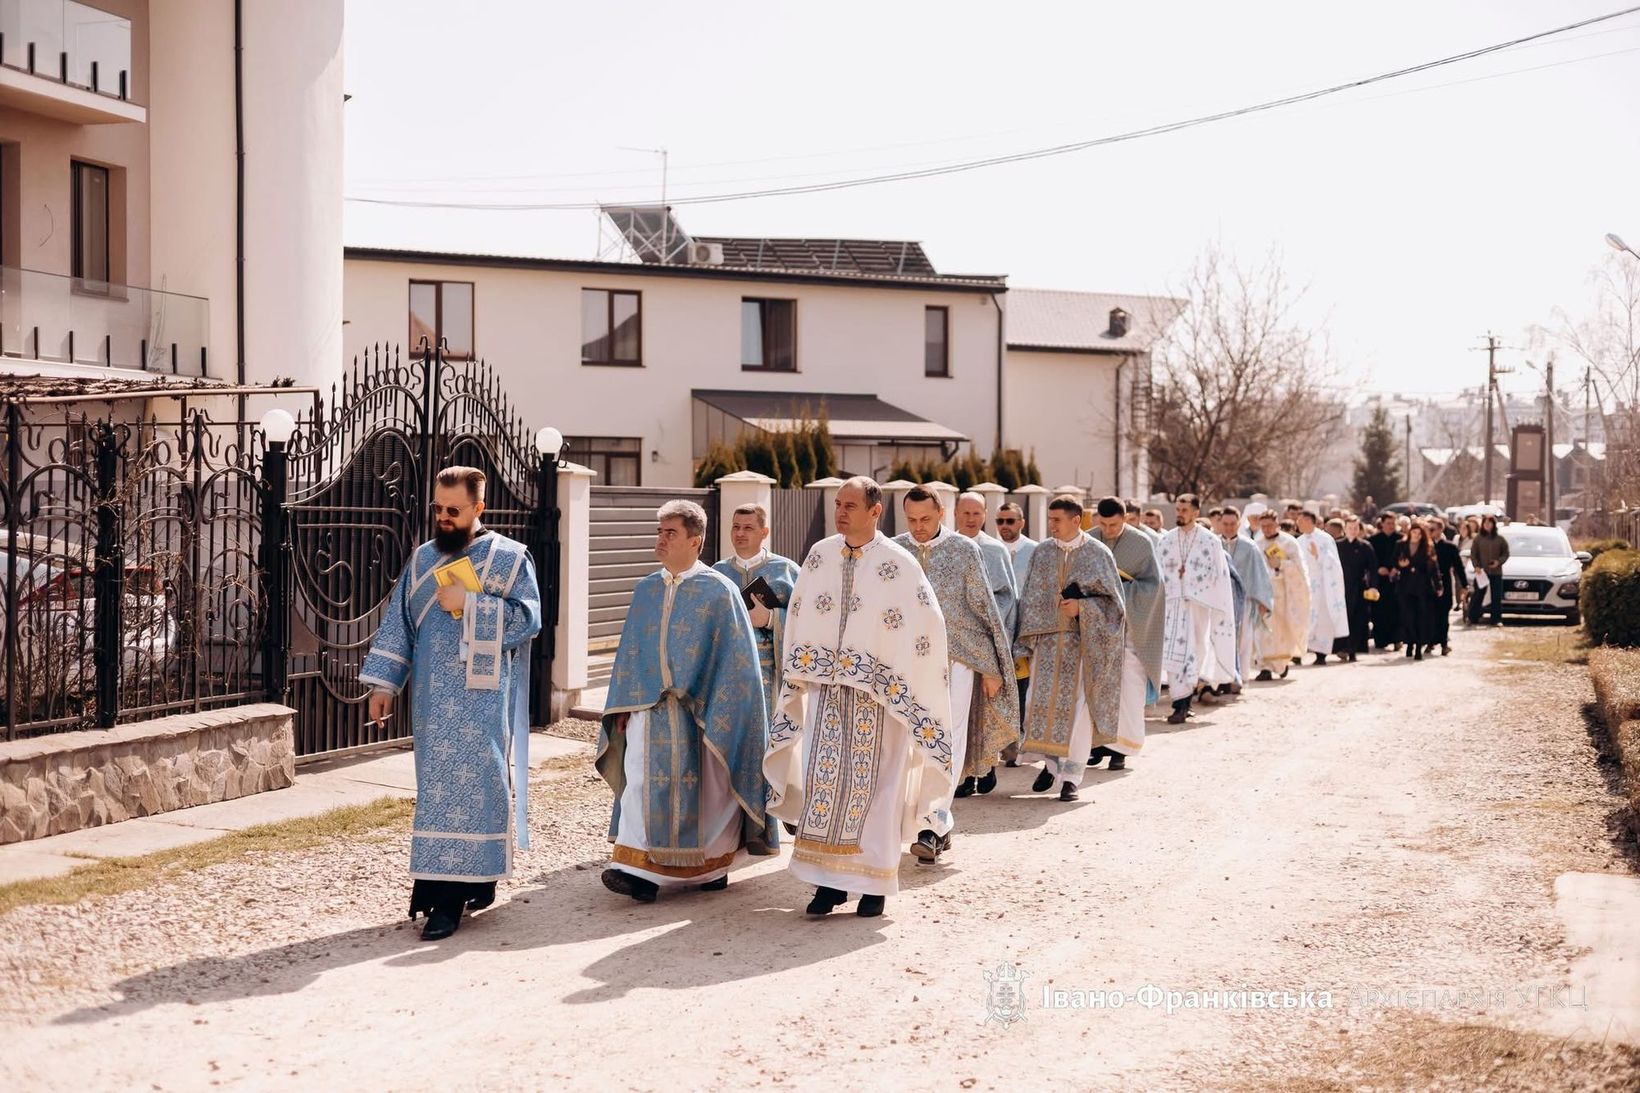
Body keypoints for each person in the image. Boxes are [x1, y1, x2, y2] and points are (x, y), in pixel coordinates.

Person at [360, 466, 542, 941]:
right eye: (438, 509)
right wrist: (384, 685)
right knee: (437, 791)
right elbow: (400, 621)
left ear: (479, 509)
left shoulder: (509, 559)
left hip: (481, 698)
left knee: (480, 786)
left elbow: (528, 620)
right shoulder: (423, 560)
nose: (443, 518)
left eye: (454, 511)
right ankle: (439, 887)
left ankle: (462, 893)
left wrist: (471, 603)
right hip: (432, 701)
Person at [764, 477, 952, 918]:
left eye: (850, 505)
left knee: (878, 791)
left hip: (879, 700)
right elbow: (800, 613)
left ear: (875, 511)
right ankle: (828, 885)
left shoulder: (899, 564)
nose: (841, 512)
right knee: (825, 782)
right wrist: (803, 668)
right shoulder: (819, 555)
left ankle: (874, 886)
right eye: (838, 504)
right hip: (829, 694)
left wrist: (895, 678)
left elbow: (928, 628)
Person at [596, 501, 776, 903]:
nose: (660, 540)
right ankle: (636, 870)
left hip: (702, 713)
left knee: (708, 793)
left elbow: (737, 662)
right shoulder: (646, 589)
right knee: (641, 783)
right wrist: (624, 705)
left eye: (670, 533)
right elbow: (631, 654)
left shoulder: (719, 591)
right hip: (649, 711)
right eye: (659, 532)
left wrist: (719, 708)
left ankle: (710, 867)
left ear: (695, 540)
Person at [895, 487, 1017, 847]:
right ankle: (923, 822)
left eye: (926, 519)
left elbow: (984, 609)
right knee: (910, 743)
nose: (918, 527)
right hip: (906, 662)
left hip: (960, 660)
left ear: (941, 513)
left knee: (949, 739)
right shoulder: (896, 552)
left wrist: (992, 667)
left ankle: (933, 824)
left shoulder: (965, 550)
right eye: (912, 520)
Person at [1016, 494, 1126, 799]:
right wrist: (1025, 642)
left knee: (1076, 712)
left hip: (1083, 646)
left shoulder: (1098, 553)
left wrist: (1083, 608)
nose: (1051, 525)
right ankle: (1051, 766)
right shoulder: (1042, 552)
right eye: (1050, 519)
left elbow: (1115, 606)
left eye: (1057, 520)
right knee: (1040, 710)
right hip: (1047, 644)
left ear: (1076, 521)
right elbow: (1030, 597)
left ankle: (1071, 779)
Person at [1089, 496, 1162, 770]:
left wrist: (1120, 589)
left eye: (1115, 524)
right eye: (1104, 524)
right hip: (1096, 625)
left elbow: (1154, 587)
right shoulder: (1090, 539)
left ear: (1126, 518)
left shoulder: (1141, 543)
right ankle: (1097, 743)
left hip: (1131, 627)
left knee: (1129, 684)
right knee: (1095, 682)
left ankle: (1122, 747)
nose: (1108, 530)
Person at [713, 503, 802, 718]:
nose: (740, 533)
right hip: (726, 676)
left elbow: (806, 622)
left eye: (748, 528)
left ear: (764, 532)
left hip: (771, 675)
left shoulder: (787, 571)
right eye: (735, 527)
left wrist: (771, 619)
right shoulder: (717, 573)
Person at [1156, 494, 1237, 723]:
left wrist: (1197, 589)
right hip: (1172, 606)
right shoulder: (1166, 541)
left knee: (1194, 653)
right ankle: (1179, 705)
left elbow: (1218, 576)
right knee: (1173, 654)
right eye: (1177, 509)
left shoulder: (1210, 541)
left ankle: (1185, 701)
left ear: (1195, 513)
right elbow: (1160, 573)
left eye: (1184, 509)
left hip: (1197, 607)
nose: (1179, 513)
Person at [994, 500, 1035, 762]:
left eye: (1010, 520)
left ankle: (1017, 741)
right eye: (1000, 521)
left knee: (1021, 688)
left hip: (1024, 632)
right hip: (997, 632)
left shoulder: (1035, 550)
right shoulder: (988, 549)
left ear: (1022, 522)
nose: (1005, 526)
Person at [1216, 505, 1273, 687]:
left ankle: (1239, 679)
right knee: (1219, 639)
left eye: (1233, 524)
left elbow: (1260, 575)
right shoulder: (1213, 544)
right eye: (1225, 524)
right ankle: (1219, 678)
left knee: (1243, 641)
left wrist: (1263, 601)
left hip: (1244, 601)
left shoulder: (1250, 547)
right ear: (1220, 523)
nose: (1229, 527)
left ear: (1239, 523)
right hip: (1218, 601)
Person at [1252, 509, 1310, 680]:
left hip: (1283, 594)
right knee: (1262, 630)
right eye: (1263, 526)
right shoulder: (1257, 543)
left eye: (1270, 526)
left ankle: (1281, 664)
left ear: (1277, 524)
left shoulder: (1289, 542)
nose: (1267, 529)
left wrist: (1281, 564)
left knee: (1281, 631)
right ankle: (1265, 667)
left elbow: (1300, 569)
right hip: (1262, 593)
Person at [954, 491, 1020, 641]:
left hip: (986, 635)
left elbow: (1008, 596)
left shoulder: (996, 550)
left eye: (976, 513)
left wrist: (982, 614)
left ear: (985, 514)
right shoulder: (945, 548)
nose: (971, 519)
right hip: (951, 636)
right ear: (955, 513)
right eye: (966, 513)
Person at [1295, 510, 1350, 666]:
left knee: (1322, 620)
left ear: (1309, 521)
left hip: (1323, 586)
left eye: (1301, 521)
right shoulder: (1298, 541)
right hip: (1304, 584)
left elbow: (1333, 564)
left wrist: (1318, 555)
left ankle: (1321, 654)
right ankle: (1298, 652)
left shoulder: (1325, 539)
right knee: (1302, 618)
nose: (1298, 524)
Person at [1393, 522, 1443, 659]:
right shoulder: (1401, 545)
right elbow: (1394, 562)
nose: (1416, 535)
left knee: (1421, 617)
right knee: (1408, 617)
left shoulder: (1428, 547)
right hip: (1405, 586)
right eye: (1414, 532)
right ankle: (1410, 642)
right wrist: (1400, 565)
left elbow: (1434, 567)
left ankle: (1418, 647)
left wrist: (1439, 585)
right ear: (1410, 532)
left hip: (1422, 587)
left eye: (1419, 533)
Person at [1333, 517, 1377, 662]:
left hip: (1359, 588)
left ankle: (1352, 650)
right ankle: (1341, 647)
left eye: (1355, 528)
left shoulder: (1366, 547)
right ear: (1344, 529)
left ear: (1359, 529)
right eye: (1349, 528)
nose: (1352, 531)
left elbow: (1373, 569)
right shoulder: (1337, 545)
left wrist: (1373, 586)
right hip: (1340, 587)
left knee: (1358, 619)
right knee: (1341, 618)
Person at [1429, 517, 1466, 656]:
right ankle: (1431, 641)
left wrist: (1464, 584)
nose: (1430, 532)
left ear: (1440, 530)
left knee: (1443, 614)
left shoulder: (1450, 547)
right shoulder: (1426, 546)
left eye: (1433, 529)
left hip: (1445, 584)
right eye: (1429, 529)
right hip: (1428, 585)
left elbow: (1458, 567)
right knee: (1430, 614)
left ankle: (1444, 643)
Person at [1367, 514, 1403, 650]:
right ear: (1382, 524)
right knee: (1379, 610)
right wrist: (1377, 569)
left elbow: (1404, 556)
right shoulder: (1373, 540)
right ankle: (1381, 639)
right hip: (1379, 581)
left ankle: (1397, 639)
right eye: (1388, 523)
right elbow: (1370, 559)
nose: (1391, 526)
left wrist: (1396, 568)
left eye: (1393, 523)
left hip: (1396, 580)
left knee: (1396, 610)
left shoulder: (1401, 539)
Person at [1466, 514, 1510, 627]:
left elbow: (1506, 553)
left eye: (1490, 523)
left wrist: (1499, 562)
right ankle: (1472, 617)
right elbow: (1473, 554)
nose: (1487, 525)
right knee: (1477, 595)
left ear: (1494, 524)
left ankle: (1496, 619)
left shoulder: (1500, 539)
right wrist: (1476, 566)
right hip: (1482, 572)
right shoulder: (1478, 539)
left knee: (1496, 597)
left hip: (1496, 572)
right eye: (1485, 523)